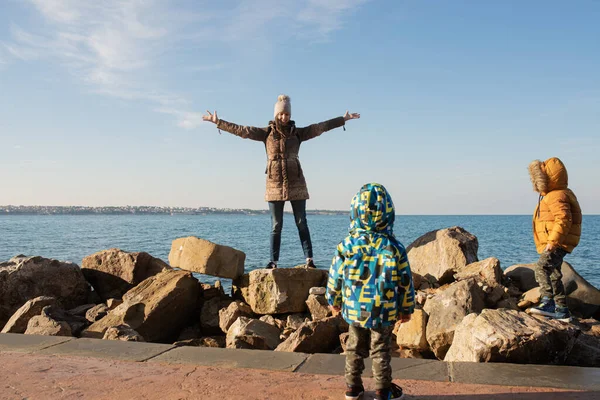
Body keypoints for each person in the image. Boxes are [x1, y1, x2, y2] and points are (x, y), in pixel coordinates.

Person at [203, 94, 359, 269]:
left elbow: (320, 127)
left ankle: (309, 259)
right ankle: (273, 261)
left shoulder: (298, 133)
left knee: (301, 222)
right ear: (276, 114)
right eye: (282, 114)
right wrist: (219, 122)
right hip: (274, 185)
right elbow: (243, 131)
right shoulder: (266, 133)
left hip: (297, 183)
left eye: (287, 114)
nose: (284, 117)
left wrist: (342, 119)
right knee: (276, 225)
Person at [326, 183, 414, 400]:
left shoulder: (346, 246)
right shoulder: (394, 247)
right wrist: (406, 308)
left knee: (354, 347)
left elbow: (335, 276)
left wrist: (333, 299)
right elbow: (405, 282)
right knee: (380, 350)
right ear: (389, 214)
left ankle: (352, 388)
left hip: (355, 307)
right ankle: (383, 390)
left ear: (354, 213)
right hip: (383, 309)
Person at [526, 157, 582, 322]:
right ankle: (562, 310)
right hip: (558, 241)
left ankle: (548, 303)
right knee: (554, 274)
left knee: (541, 268)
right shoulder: (554, 194)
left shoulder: (556, 196)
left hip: (557, 242)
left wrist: (552, 241)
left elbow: (563, 219)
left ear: (548, 178)